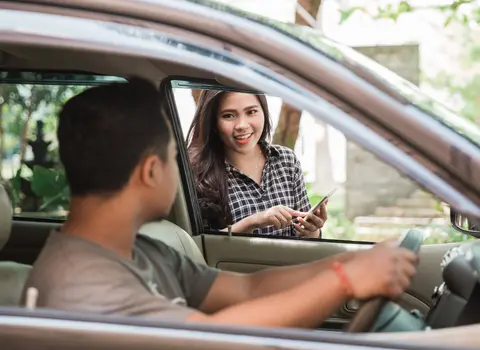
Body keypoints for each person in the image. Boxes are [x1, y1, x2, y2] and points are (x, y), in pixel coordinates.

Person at [21, 78, 418, 329]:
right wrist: (345, 283)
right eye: (173, 155)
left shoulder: (145, 251)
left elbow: (248, 290)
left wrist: (345, 263)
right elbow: (216, 339)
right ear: (150, 172)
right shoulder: (84, 287)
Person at [187, 90, 325, 238]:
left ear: (264, 112)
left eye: (251, 112)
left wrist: (311, 230)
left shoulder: (286, 160)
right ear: (213, 122)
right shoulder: (197, 172)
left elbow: (305, 237)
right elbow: (199, 246)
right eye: (228, 115)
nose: (241, 125)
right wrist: (253, 222)